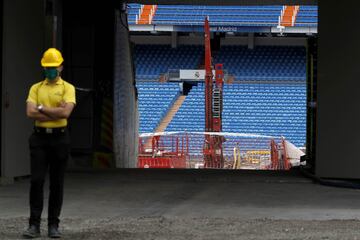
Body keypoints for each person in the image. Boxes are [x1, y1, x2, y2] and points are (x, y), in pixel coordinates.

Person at [23, 48, 76, 238]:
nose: (51, 70)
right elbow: (30, 113)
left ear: (60, 67)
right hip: (39, 139)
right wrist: (53, 111)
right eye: (47, 67)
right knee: (36, 181)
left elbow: (66, 114)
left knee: (57, 183)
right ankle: (33, 225)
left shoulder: (68, 88)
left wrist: (41, 109)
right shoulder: (36, 88)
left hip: (59, 138)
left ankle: (53, 224)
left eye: (54, 67)